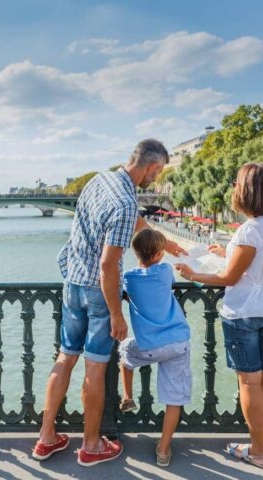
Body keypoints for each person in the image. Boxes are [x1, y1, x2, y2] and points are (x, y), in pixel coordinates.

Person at [31, 139, 186, 466]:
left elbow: (136, 225)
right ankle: (91, 446)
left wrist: (168, 244)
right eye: (157, 173)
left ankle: (46, 437)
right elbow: (107, 266)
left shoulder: (98, 180)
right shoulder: (126, 205)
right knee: (95, 366)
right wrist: (117, 313)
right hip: (97, 292)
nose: (156, 179)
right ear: (151, 167)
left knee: (65, 358)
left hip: (71, 282)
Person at [175, 162, 263, 470]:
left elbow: (229, 278)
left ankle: (258, 451)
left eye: (237, 183)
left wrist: (192, 273)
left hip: (245, 314)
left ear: (247, 192)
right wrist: (228, 253)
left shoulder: (250, 230)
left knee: (250, 383)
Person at [119, 228, 191, 467]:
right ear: (160, 254)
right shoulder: (165, 271)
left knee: (125, 351)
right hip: (178, 342)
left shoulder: (129, 278)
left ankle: (128, 396)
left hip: (150, 346)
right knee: (174, 398)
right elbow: (168, 280)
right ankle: (163, 448)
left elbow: (123, 288)